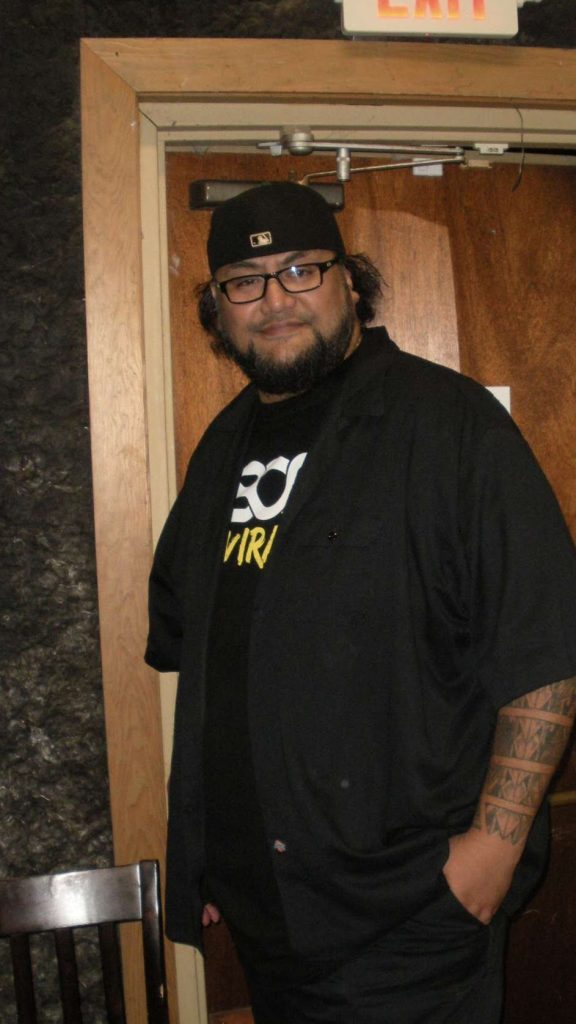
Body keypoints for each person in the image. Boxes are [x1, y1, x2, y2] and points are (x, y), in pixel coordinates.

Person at [145, 181, 576, 1023]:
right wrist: (205, 845)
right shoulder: (221, 450)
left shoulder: (448, 424)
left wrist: (492, 851)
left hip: (411, 916)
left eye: (300, 269)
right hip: (269, 917)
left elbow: (547, 645)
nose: (275, 300)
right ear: (218, 309)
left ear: (349, 281)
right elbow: (206, 661)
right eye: (244, 281)